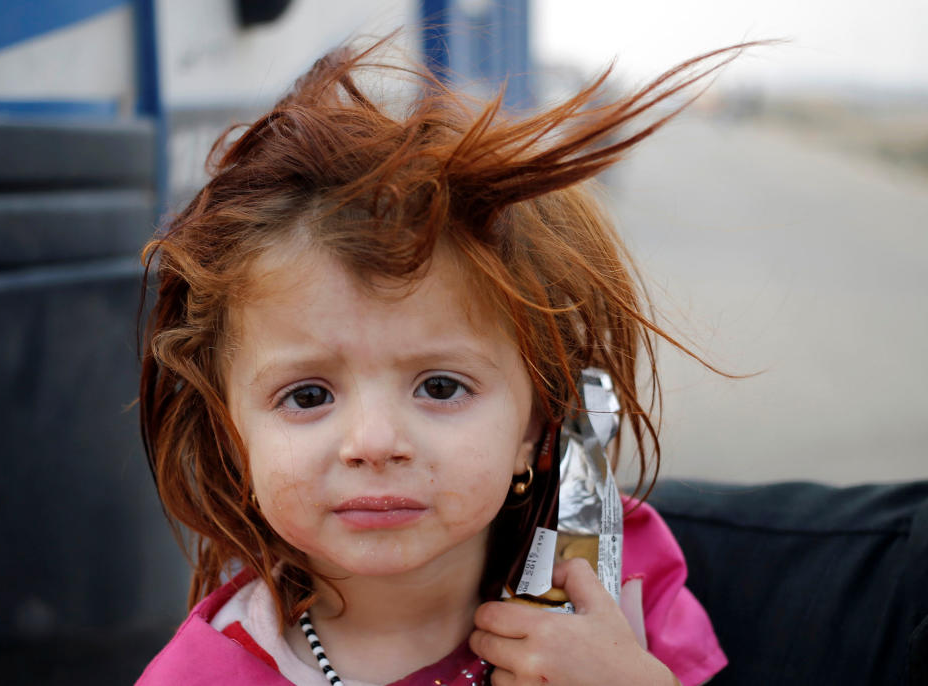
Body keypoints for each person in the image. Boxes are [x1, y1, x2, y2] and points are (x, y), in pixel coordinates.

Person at [136, 37, 739, 686]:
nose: (373, 443)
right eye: (308, 396)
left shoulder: (617, 588)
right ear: (233, 437)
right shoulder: (202, 677)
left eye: (441, 386)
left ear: (533, 423)